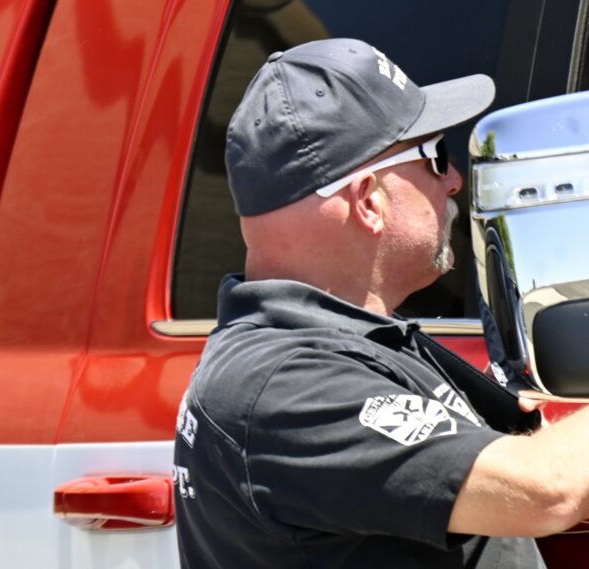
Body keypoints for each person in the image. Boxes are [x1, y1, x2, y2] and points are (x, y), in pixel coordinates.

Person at [173, 38, 589, 568]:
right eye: (435, 158)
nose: (454, 180)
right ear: (369, 200)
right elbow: (545, 490)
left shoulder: (342, 346)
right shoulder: (283, 383)